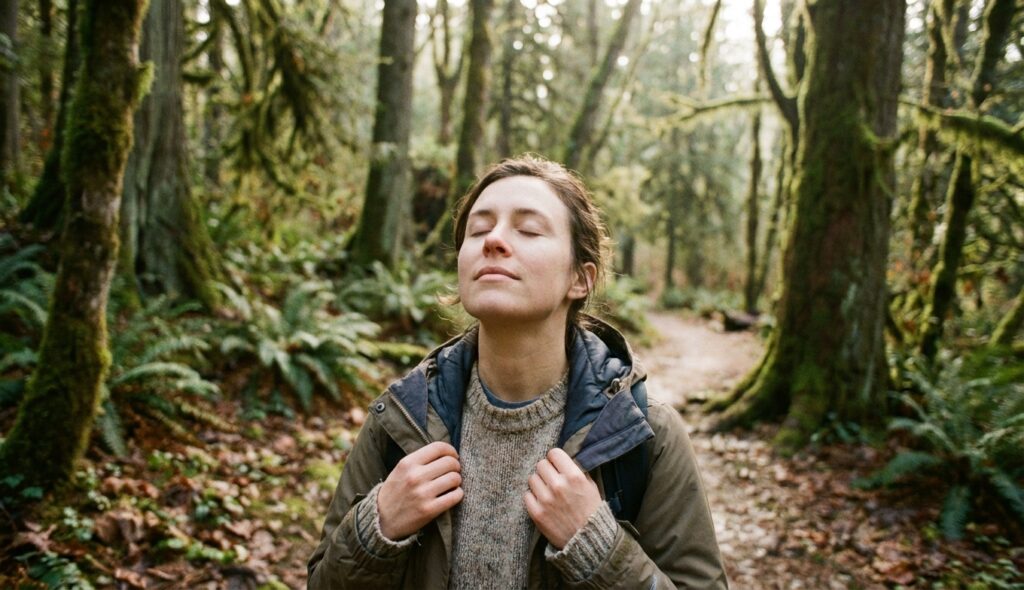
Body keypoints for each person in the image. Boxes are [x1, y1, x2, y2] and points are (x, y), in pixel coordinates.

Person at [307, 155, 728, 589]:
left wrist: (599, 550)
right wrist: (376, 529)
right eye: (478, 229)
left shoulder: (644, 433)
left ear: (580, 280)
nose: (494, 240)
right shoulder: (401, 419)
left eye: (527, 230)